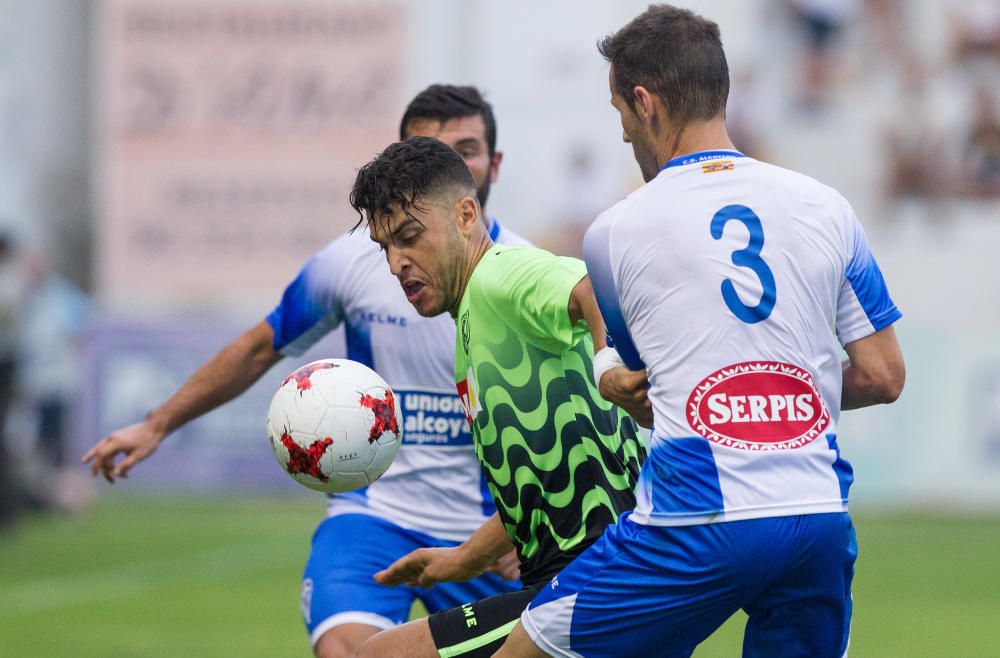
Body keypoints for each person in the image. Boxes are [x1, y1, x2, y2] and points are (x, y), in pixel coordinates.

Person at [498, 5, 906, 657]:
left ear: (644, 102)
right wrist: (790, 397)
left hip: (698, 519)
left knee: (525, 650)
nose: (626, 136)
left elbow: (642, 386)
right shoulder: (826, 206)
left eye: (621, 116)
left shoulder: (617, 231)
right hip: (817, 516)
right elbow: (885, 376)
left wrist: (610, 377)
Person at [82, 85, 531, 658]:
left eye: (464, 148)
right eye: (427, 146)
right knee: (348, 650)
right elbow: (257, 347)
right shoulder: (351, 264)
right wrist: (157, 424)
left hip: (489, 530)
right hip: (374, 516)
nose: (446, 160)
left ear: (491, 164)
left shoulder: (525, 279)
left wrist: (525, 524)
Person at [348, 136, 646, 658]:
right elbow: (540, 487)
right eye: (385, 247)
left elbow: (589, 287)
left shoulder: (498, 277)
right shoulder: (471, 329)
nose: (396, 263)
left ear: (466, 215)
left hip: (600, 579)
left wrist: (610, 366)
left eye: (410, 236)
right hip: (586, 580)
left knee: (381, 655)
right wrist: (464, 559)